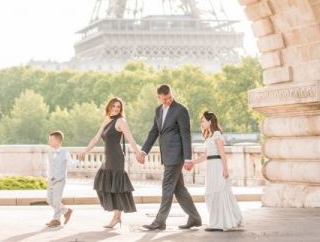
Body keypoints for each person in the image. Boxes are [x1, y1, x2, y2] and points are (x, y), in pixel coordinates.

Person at [137, 84, 202, 231]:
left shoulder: (181, 110)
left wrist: (188, 158)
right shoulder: (158, 110)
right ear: (159, 97)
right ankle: (195, 218)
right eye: (165, 99)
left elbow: (186, 135)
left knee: (167, 187)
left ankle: (159, 221)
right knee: (179, 189)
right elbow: (154, 132)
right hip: (166, 155)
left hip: (176, 155)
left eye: (170, 97)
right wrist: (144, 151)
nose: (168, 101)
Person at [77, 97, 141, 229]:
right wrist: (85, 151)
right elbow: (95, 138)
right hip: (107, 158)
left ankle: (117, 217)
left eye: (118, 107)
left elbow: (130, 138)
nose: (116, 108)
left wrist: (137, 153)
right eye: (114, 106)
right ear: (109, 107)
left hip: (116, 157)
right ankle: (116, 215)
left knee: (116, 187)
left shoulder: (121, 121)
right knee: (101, 183)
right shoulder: (107, 121)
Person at [189, 111, 244, 231]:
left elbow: (222, 153)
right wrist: (193, 162)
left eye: (203, 120)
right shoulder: (208, 136)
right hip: (211, 166)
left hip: (217, 166)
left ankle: (219, 224)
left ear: (209, 121)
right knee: (210, 193)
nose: (201, 123)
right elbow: (206, 156)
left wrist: (225, 169)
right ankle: (216, 222)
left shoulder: (217, 134)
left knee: (218, 192)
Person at [45, 131, 74, 228]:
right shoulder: (49, 151)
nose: (49, 142)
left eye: (51, 140)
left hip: (60, 180)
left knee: (56, 200)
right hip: (51, 180)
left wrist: (76, 162)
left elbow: (71, 163)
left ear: (58, 141)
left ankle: (56, 219)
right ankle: (66, 211)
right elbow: (49, 165)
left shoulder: (65, 152)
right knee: (49, 200)